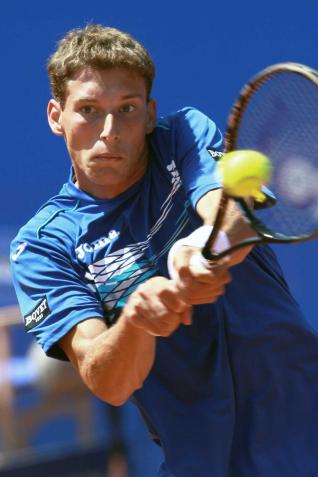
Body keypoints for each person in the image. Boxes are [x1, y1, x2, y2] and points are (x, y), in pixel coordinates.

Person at [10, 24, 318, 477]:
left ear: (150, 113)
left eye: (127, 109)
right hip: (200, 462)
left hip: (304, 421)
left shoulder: (182, 134)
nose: (109, 131)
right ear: (56, 116)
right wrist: (136, 318)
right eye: (89, 110)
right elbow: (106, 380)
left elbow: (228, 210)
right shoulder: (41, 245)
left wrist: (202, 244)